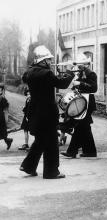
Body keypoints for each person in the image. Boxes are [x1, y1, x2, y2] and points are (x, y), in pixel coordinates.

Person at [19, 45, 74, 179]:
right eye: (48, 60)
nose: (50, 62)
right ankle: (51, 172)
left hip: (35, 112)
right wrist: (70, 72)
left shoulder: (30, 72)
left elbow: (25, 78)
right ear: (42, 61)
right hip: (47, 113)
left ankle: (28, 166)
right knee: (51, 143)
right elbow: (62, 84)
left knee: (40, 141)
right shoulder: (46, 73)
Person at [60, 53, 97, 158]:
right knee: (84, 128)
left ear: (86, 65)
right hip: (82, 102)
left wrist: (80, 84)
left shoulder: (91, 74)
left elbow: (94, 88)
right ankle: (90, 151)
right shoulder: (81, 74)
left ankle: (72, 151)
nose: (79, 66)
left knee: (80, 127)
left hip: (87, 103)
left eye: (81, 65)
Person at [0, 83, 13, 150]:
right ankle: (8, 141)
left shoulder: (3, 99)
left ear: (2, 91)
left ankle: (8, 141)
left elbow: (6, 109)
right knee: (2, 133)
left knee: (2, 132)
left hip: (1, 117)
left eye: (0, 90)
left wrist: (6, 118)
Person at [18, 86, 31, 151]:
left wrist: (27, 117)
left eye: (29, 93)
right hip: (27, 116)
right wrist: (24, 108)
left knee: (28, 130)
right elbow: (27, 108)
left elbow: (29, 109)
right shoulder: (28, 99)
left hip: (28, 117)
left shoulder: (30, 100)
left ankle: (26, 144)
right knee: (26, 130)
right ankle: (26, 144)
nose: (28, 95)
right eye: (27, 93)